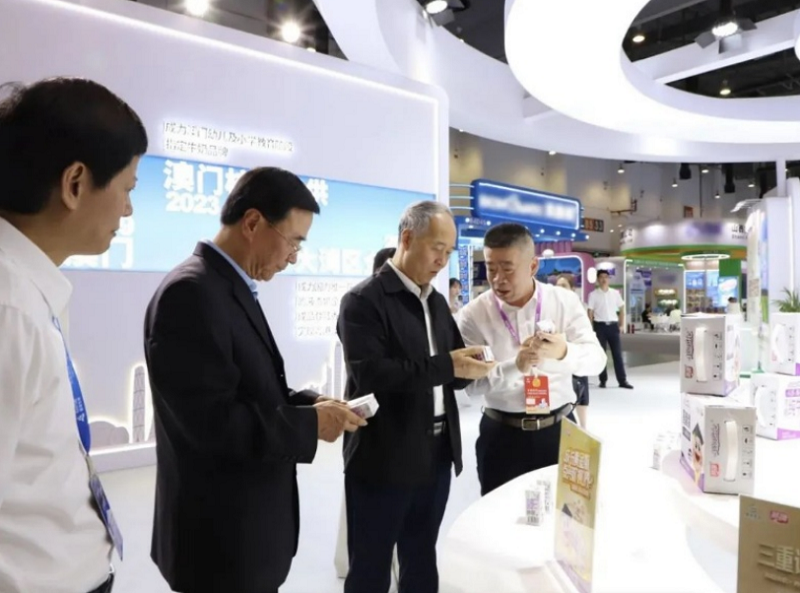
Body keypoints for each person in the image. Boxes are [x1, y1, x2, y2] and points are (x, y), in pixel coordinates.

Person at [144, 167, 366, 593]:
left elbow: (249, 388)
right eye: (294, 241)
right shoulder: (191, 293)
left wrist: (311, 404)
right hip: (219, 540)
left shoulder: (225, 286)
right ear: (252, 223)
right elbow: (210, 421)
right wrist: (309, 425)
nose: (294, 256)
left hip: (244, 534)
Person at [0, 77, 147, 593]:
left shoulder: (24, 289)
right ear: (76, 183)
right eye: (127, 188)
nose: (127, 210)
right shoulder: (9, 309)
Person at [337, 201, 494, 593]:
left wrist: (470, 367)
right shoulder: (363, 301)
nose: (442, 260)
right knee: (371, 567)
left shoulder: (436, 302)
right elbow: (372, 374)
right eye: (436, 248)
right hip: (383, 455)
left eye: (449, 251)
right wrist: (448, 366)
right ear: (407, 239)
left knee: (422, 558)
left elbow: (448, 368)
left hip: (436, 454)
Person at [457, 224, 606, 496]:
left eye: (508, 269)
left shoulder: (564, 302)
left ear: (533, 266)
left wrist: (564, 352)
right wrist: (515, 366)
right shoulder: (473, 315)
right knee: (499, 514)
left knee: (565, 514)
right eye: (491, 268)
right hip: (501, 434)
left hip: (560, 429)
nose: (498, 279)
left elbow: (597, 361)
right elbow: (471, 386)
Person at [555, 274, 590, 429]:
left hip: (576, 352)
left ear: (572, 288)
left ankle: (583, 427)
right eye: (557, 285)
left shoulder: (579, 306)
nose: (559, 289)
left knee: (581, 388)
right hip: (557, 355)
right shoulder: (551, 306)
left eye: (564, 285)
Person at [587, 269, 633, 389]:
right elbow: (590, 312)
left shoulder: (615, 293)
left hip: (613, 326)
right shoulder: (593, 295)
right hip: (599, 327)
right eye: (601, 277)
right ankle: (603, 380)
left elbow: (622, 309)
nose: (604, 279)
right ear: (598, 279)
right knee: (601, 355)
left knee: (617, 354)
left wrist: (621, 325)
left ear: (608, 279)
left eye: (606, 277)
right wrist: (590, 328)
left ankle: (622, 380)